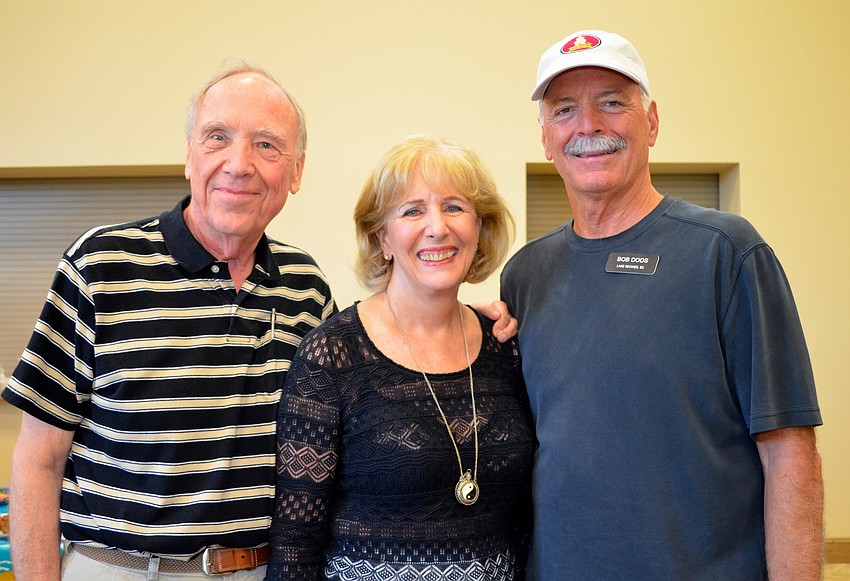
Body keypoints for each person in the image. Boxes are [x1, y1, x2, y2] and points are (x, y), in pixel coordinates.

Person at [2, 62, 516, 581]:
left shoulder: (305, 287)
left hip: (258, 570)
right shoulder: (100, 265)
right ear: (188, 155)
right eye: (217, 137)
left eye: (267, 145)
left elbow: (365, 408)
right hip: (122, 569)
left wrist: (474, 320)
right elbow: (37, 461)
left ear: (295, 172)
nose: (239, 164)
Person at [500, 30, 824, 580]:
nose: (588, 126)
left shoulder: (727, 254)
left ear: (651, 122)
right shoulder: (525, 274)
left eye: (611, 102)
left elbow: (789, 450)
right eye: (564, 110)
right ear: (546, 139)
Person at [266, 135, 536, 580]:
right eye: (412, 210)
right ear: (383, 238)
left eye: (454, 207)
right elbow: (297, 544)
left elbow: (524, 521)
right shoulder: (332, 356)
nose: (437, 227)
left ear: (479, 227)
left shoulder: (505, 346)